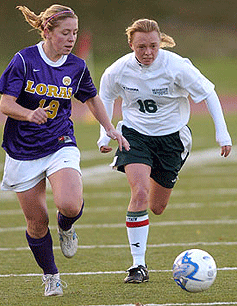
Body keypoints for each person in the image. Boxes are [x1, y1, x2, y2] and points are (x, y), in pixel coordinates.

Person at [0, 4, 129, 296]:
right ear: (47, 31)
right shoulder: (24, 59)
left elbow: (92, 99)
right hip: (22, 149)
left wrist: (109, 128)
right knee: (36, 222)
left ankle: (67, 227)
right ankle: (51, 276)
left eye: (75, 33)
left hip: (60, 141)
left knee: (69, 204)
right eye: (65, 33)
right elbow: (5, 104)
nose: (71, 39)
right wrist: (29, 114)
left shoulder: (76, 66)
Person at [97, 18, 232, 283]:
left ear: (160, 43)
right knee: (139, 192)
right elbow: (105, 97)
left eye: (153, 46)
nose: (147, 52)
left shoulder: (177, 66)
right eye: (141, 47)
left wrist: (222, 133)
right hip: (135, 135)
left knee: (156, 207)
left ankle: (150, 188)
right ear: (131, 45)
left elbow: (209, 94)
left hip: (172, 139)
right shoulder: (118, 70)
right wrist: (106, 132)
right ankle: (138, 266)